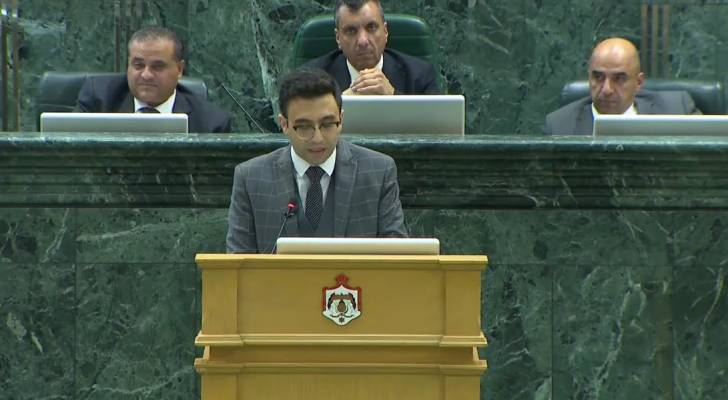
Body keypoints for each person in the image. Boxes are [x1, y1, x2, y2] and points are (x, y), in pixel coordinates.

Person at [226, 68, 407, 253]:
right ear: (284, 125)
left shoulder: (379, 171)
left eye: (327, 125)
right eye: (304, 127)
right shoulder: (250, 178)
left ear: (341, 119)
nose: (317, 138)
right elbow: (237, 262)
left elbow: (398, 258)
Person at [76, 26, 231, 133]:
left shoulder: (211, 122)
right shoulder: (98, 98)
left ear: (179, 69)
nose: (146, 75)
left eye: (157, 67)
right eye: (138, 65)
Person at [544, 37, 700, 135]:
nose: (606, 89)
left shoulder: (678, 109)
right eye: (598, 77)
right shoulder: (559, 126)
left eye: (619, 79)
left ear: (638, 82)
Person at [303, 0, 439, 95]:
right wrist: (341, 102)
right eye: (351, 31)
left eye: (371, 27)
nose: (363, 41)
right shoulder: (312, 78)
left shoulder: (420, 75)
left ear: (385, 31)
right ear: (338, 38)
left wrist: (393, 96)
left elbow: (433, 124)